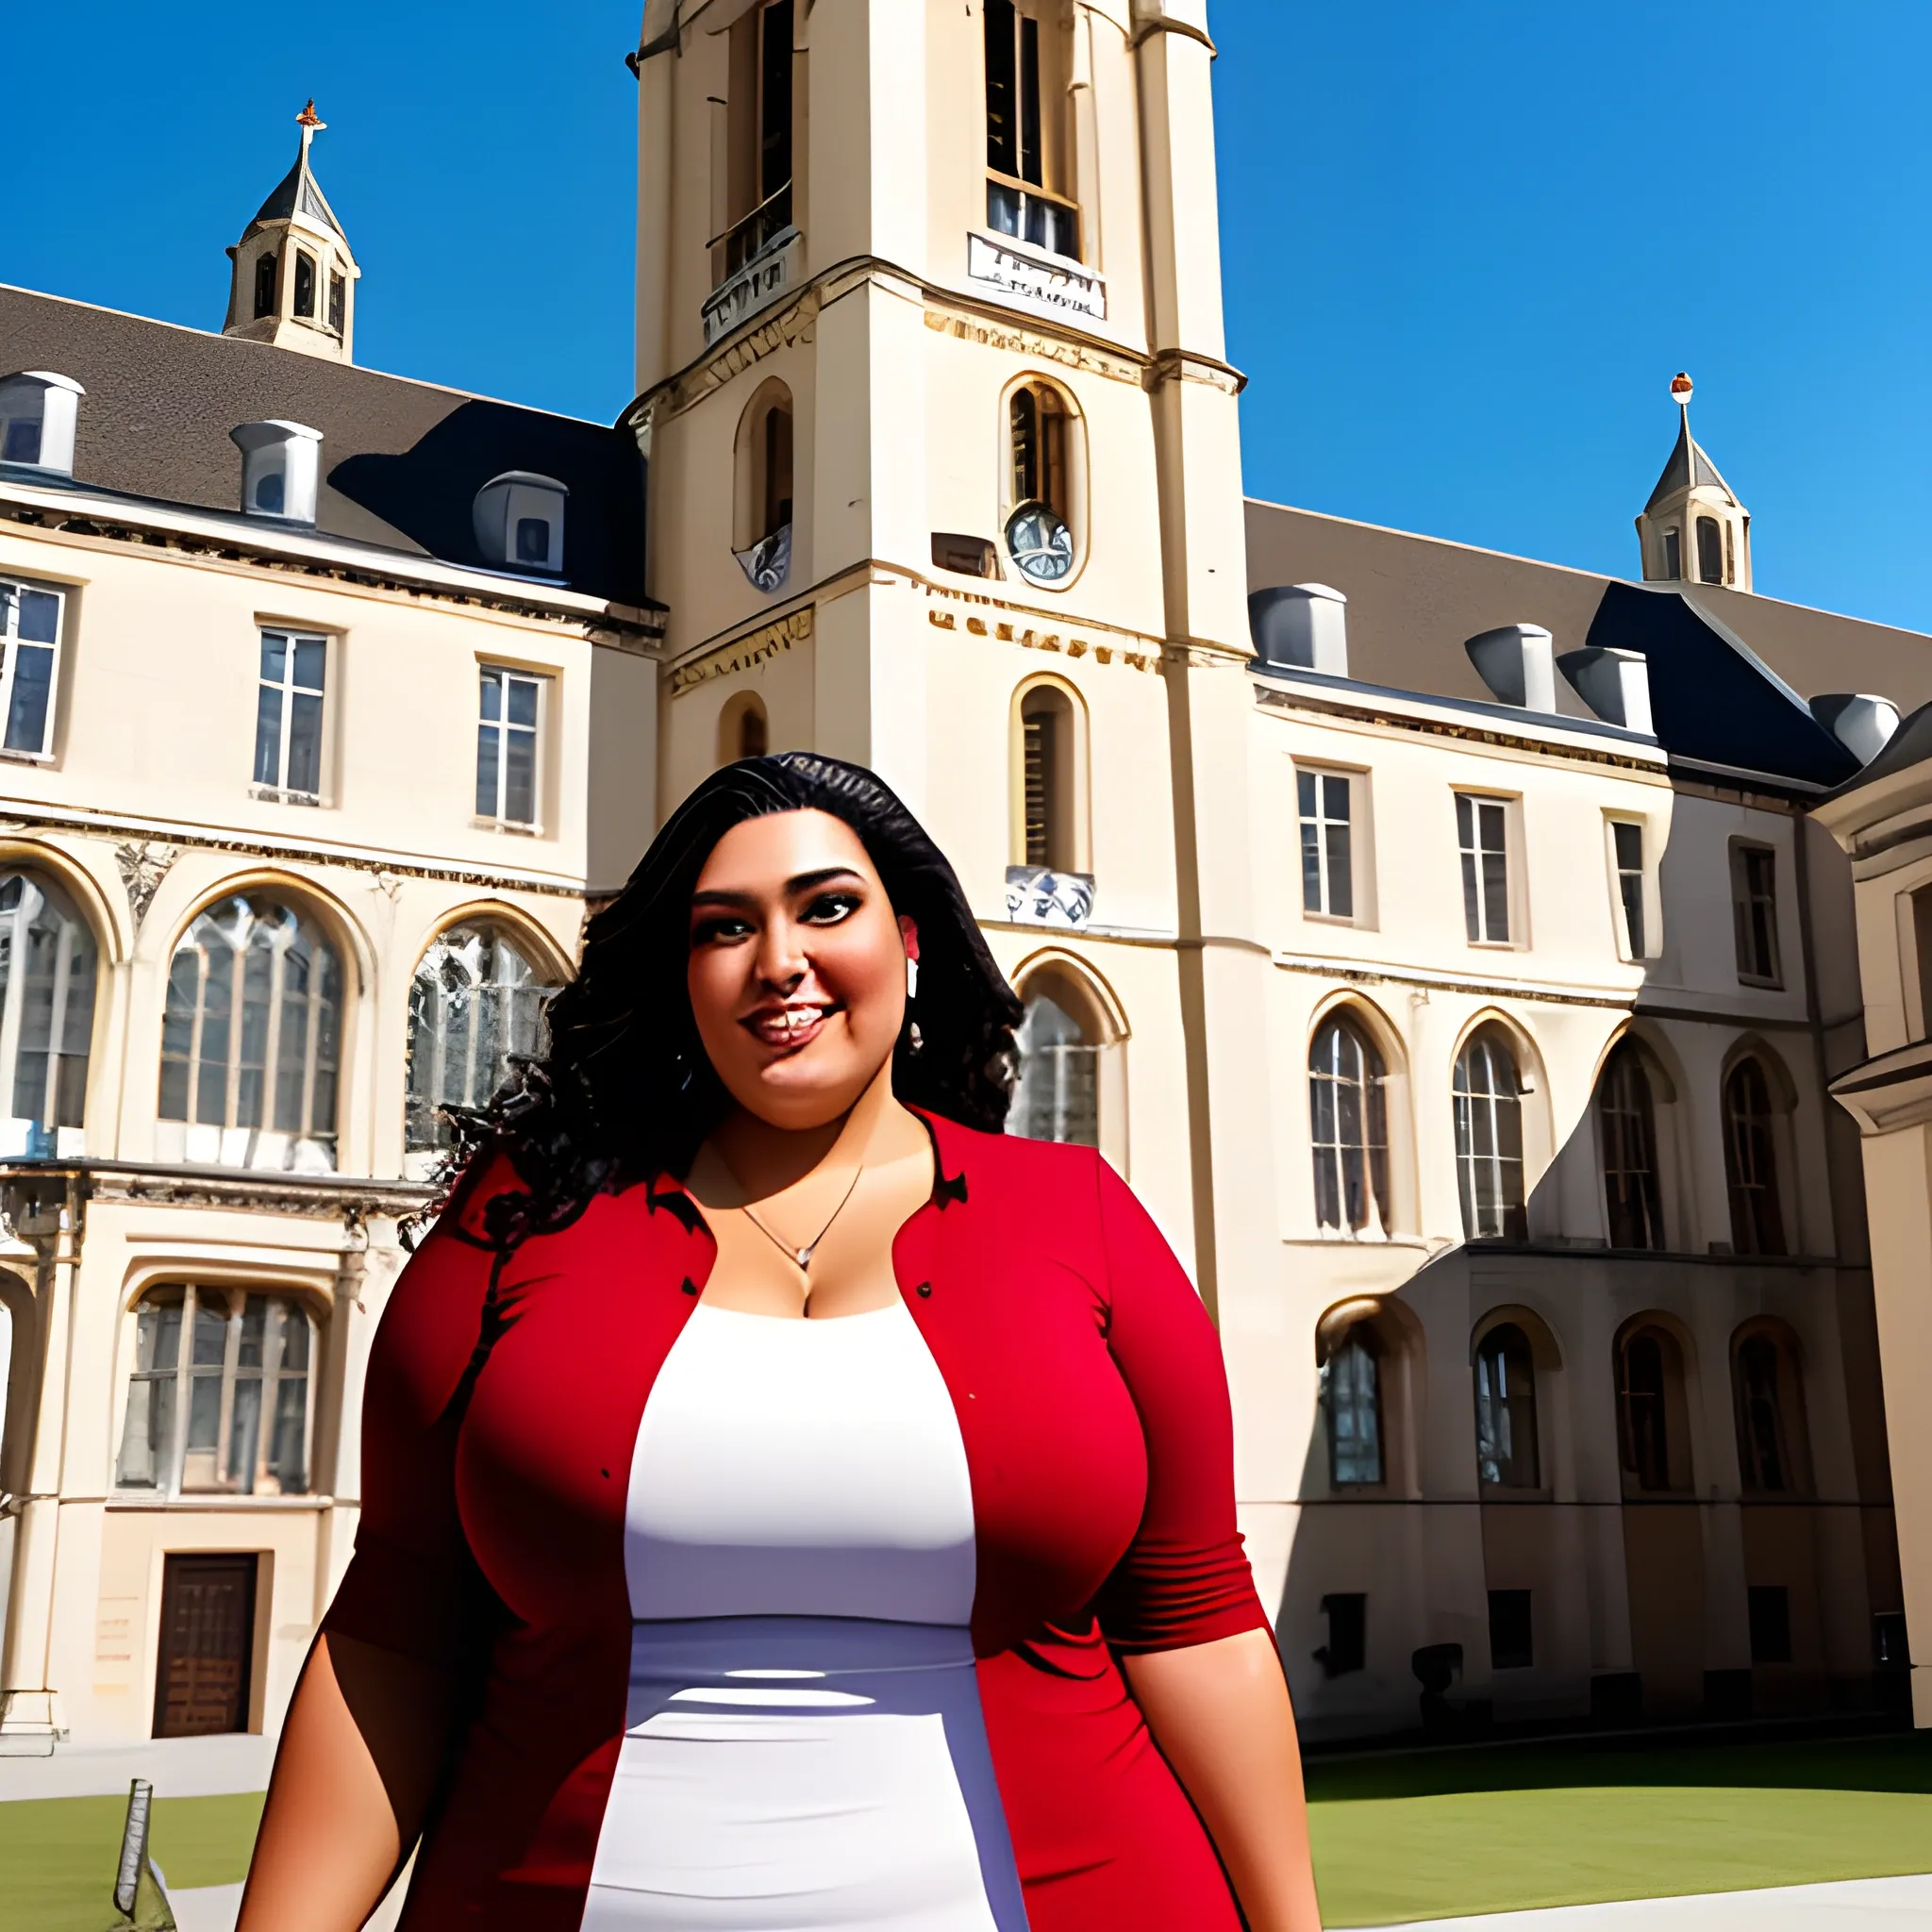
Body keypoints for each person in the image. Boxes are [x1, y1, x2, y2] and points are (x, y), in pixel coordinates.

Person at [238, 752, 1323, 1932]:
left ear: (909, 941)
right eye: (724, 926)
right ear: (680, 973)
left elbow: (1197, 1623)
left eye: (826, 905)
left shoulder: (1080, 1216)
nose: (778, 961)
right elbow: (398, 1628)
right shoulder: (521, 1217)